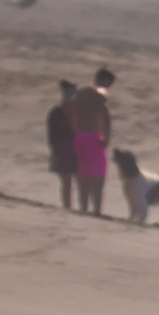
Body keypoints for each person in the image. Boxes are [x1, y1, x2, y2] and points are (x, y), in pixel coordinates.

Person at [67, 68, 115, 215]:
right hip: (93, 138)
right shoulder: (99, 95)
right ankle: (97, 210)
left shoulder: (80, 94)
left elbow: (71, 114)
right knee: (98, 178)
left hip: (78, 137)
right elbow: (105, 117)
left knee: (83, 176)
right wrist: (107, 137)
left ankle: (83, 208)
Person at [46, 79, 78, 209]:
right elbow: (52, 136)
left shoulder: (78, 113)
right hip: (63, 150)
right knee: (67, 181)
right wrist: (55, 152)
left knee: (79, 181)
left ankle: (79, 207)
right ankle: (68, 206)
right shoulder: (57, 113)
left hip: (75, 149)